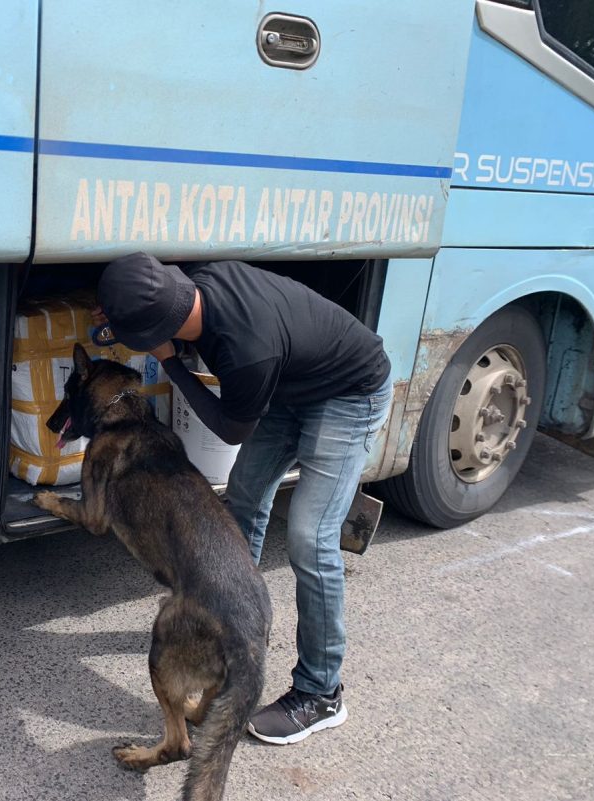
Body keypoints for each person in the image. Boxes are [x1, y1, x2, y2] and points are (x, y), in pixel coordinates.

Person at [94, 251, 392, 745]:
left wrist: (170, 363)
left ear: (156, 332)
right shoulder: (199, 285)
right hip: (290, 387)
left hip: (349, 393)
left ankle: (322, 692)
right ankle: (227, 627)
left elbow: (231, 429)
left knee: (310, 537)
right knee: (244, 502)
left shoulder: (246, 350)